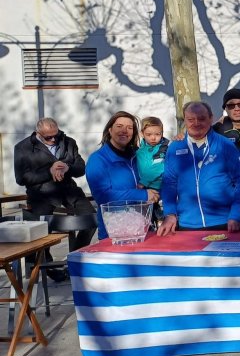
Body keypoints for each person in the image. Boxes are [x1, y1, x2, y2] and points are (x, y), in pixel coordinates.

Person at [14, 117, 96, 281]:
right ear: (38, 134)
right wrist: (48, 172)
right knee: (39, 232)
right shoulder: (23, 147)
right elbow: (21, 178)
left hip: (68, 190)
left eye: (55, 135)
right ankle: (47, 268)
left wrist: (68, 168)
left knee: (91, 219)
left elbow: (81, 168)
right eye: (48, 137)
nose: (53, 139)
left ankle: (74, 260)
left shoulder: (68, 142)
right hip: (41, 193)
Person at [157, 101, 240, 235]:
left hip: (224, 223)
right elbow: (169, 183)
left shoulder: (225, 146)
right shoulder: (175, 148)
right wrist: (170, 213)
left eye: (201, 119)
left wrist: (235, 214)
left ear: (211, 118)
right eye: (191, 119)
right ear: (185, 120)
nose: (196, 123)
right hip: (187, 224)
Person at [87, 111, 160, 240]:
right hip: (115, 234)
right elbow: (103, 197)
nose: (124, 131)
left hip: (143, 230)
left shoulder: (138, 156)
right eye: (119, 126)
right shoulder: (98, 160)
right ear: (110, 129)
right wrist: (143, 195)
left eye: (129, 127)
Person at [136, 116, 169, 223]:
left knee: (162, 219)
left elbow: (159, 167)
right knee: (147, 221)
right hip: (144, 190)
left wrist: (143, 182)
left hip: (160, 190)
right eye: (149, 135)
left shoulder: (163, 148)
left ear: (162, 133)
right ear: (142, 133)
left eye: (157, 134)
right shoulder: (139, 150)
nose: (153, 138)